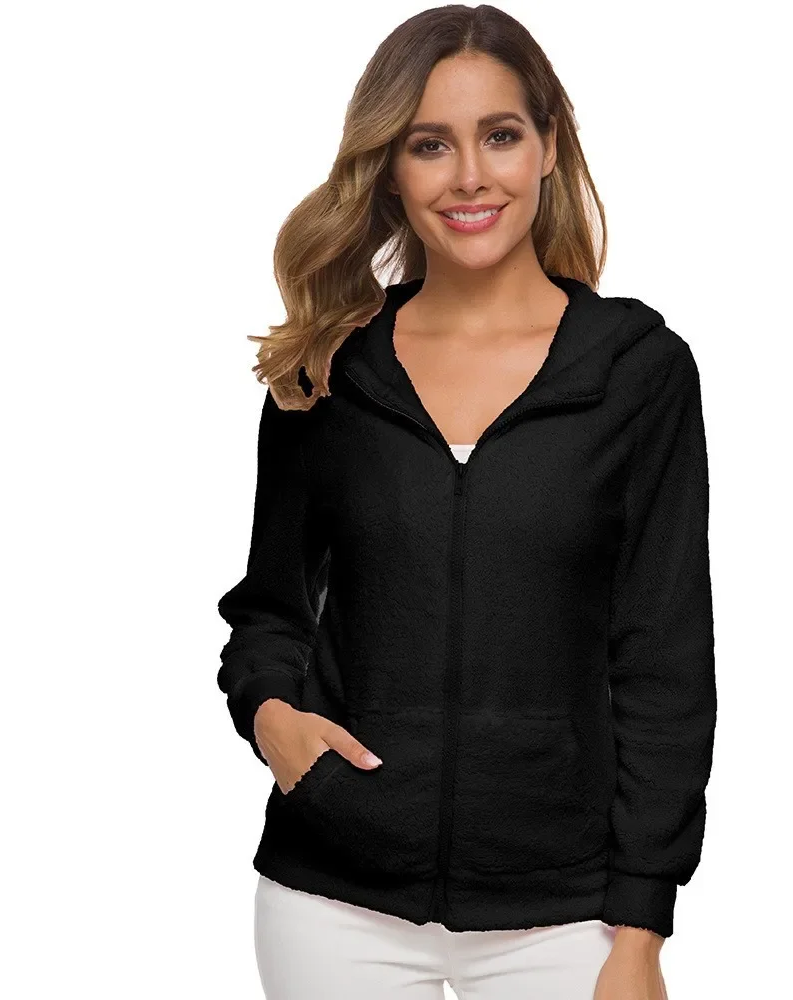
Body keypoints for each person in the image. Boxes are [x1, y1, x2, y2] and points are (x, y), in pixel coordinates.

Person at [216, 6, 716, 998]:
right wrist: (273, 720)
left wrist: (640, 927)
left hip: (566, 914)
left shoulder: (638, 373)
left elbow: (663, 659)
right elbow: (269, 609)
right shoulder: (329, 370)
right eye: (429, 145)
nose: (470, 176)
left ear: (548, 147)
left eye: (500, 135)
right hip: (333, 901)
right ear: (391, 170)